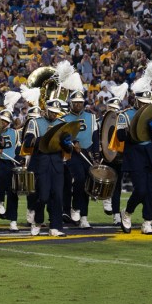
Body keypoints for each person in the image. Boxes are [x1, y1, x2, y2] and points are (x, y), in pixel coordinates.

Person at [117, 57, 152, 235]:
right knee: (141, 189)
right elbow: (121, 136)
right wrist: (133, 128)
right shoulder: (125, 114)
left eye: (147, 104)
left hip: (149, 152)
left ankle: (147, 221)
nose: (145, 106)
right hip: (134, 152)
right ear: (136, 101)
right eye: (142, 103)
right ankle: (127, 212)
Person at [24, 96, 72, 237]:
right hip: (41, 163)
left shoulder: (62, 124)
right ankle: (37, 222)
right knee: (43, 196)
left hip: (57, 164)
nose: (53, 114)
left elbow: (68, 150)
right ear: (45, 110)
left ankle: (55, 227)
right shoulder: (35, 122)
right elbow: (27, 142)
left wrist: (67, 143)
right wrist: (42, 140)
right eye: (51, 111)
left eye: (56, 112)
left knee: (57, 197)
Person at [62, 87, 97, 228]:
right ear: (70, 103)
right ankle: (75, 207)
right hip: (72, 154)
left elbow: (95, 137)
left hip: (87, 152)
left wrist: (96, 155)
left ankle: (84, 217)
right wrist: (72, 142)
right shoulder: (64, 118)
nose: (78, 105)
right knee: (80, 179)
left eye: (80, 102)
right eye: (75, 102)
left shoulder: (91, 117)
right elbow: (62, 136)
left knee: (87, 186)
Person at [0, 102, 21, 231]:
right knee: (2, 175)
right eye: (2, 121)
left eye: (6, 122)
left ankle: (12, 220)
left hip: (10, 162)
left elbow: (18, 149)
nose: (4, 123)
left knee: (14, 192)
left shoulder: (15, 133)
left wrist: (19, 160)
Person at [102, 83, 128, 224]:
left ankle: (117, 214)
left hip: (118, 157)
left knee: (117, 186)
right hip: (104, 157)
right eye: (112, 109)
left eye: (116, 109)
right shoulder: (100, 122)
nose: (114, 111)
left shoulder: (122, 122)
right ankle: (105, 198)